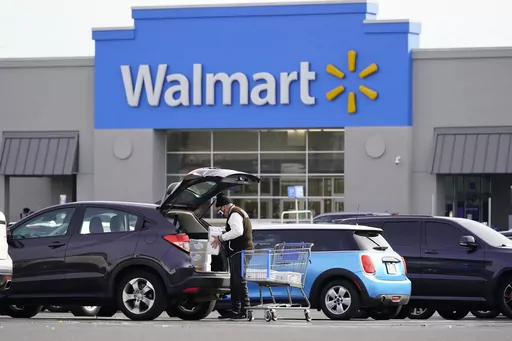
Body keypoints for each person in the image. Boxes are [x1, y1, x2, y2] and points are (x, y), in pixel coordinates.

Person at [211, 192, 254, 320]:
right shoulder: (237, 212)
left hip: (241, 251)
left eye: (220, 210)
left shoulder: (234, 214)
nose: (221, 213)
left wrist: (221, 237)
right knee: (234, 282)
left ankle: (245, 310)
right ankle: (236, 310)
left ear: (224, 206)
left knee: (239, 281)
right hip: (239, 251)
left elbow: (237, 231)